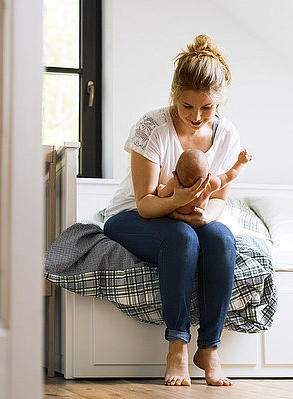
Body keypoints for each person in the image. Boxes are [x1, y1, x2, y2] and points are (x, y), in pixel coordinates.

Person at [103, 34, 241, 386]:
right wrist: (181, 201)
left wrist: (205, 216)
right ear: (174, 96)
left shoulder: (227, 136)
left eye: (206, 108)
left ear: (220, 102)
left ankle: (209, 347)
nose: (196, 117)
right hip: (132, 215)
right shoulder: (151, 127)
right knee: (181, 239)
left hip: (189, 215)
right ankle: (178, 344)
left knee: (222, 239)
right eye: (187, 107)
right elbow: (146, 205)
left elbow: (220, 198)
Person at [157, 149, 252, 215]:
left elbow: (162, 194)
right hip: (199, 216)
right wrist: (240, 162)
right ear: (208, 174)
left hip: (176, 218)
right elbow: (230, 175)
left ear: (175, 174)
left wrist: (161, 188)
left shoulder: (175, 183)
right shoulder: (210, 183)